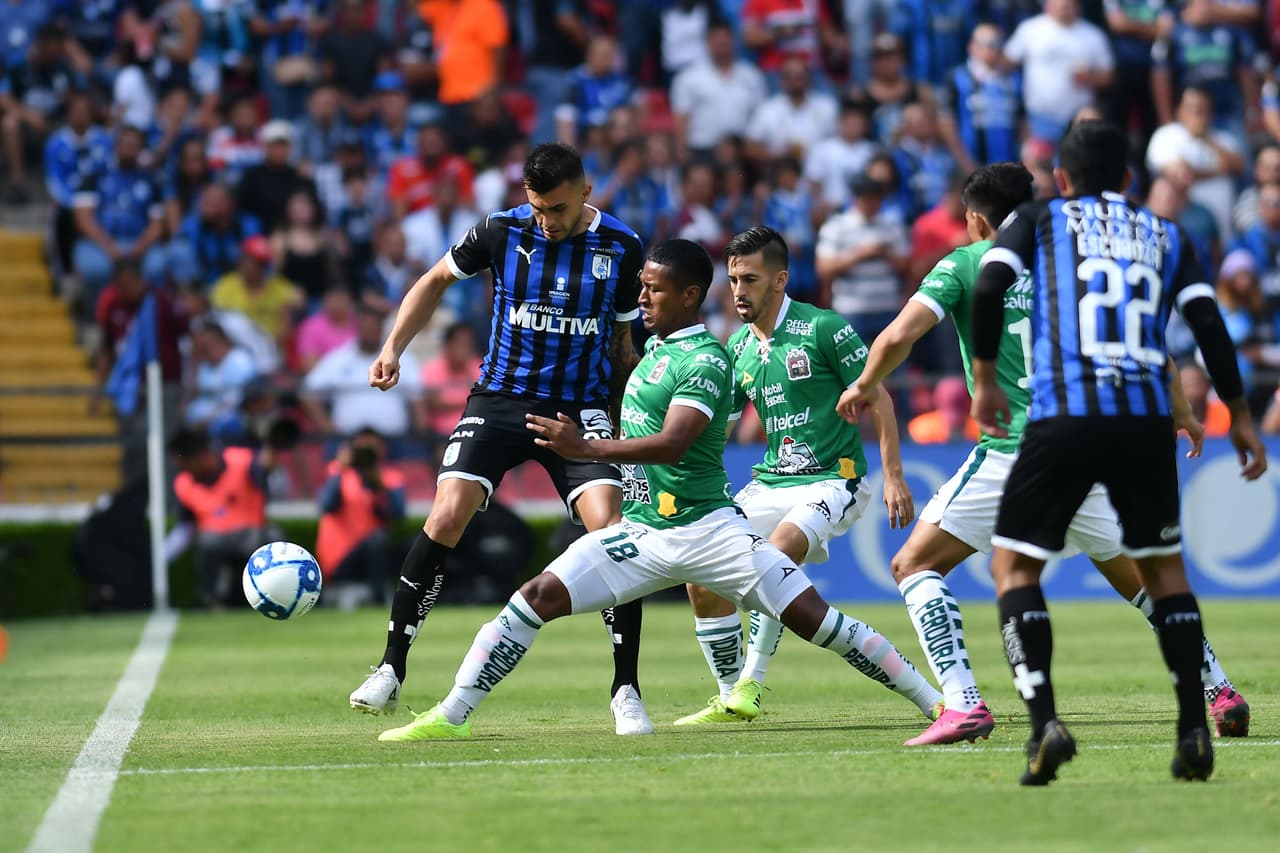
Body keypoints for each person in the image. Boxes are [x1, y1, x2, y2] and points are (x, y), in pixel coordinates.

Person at [372, 239, 942, 742]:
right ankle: (452, 712)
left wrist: (587, 449)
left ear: (690, 295)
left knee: (820, 622)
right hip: (643, 534)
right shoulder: (652, 353)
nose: (640, 299)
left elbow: (674, 443)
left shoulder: (707, 359)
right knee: (535, 598)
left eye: (653, 290)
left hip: (710, 532)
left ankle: (935, 703)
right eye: (641, 287)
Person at [842, 159, 1253, 749]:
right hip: (1085, 446)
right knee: (1142, 583)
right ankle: (1220, 690)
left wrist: (864, 383)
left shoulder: (964, 263)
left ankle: (961, 704)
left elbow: (898, 335)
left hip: (1015, 453)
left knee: (915, 565)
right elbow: (1137, 339)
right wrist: (1182, 411)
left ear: (976, 218)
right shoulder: (1071, 264)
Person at [967, 122, 1267, 784]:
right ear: (1130, 180)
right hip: (1142, 420)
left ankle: (1045, 720)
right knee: (1164, 573)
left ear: (1063, 180)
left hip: (1063, 416)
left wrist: (986, 379)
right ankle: (1194, 727)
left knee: (1013, 567)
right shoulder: (1165, 231)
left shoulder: (1043, 219)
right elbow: (1209, 323)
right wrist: (1240, 414)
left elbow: (988, 287)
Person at [347, 143, 654, 735]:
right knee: (446, 514)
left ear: (585, 191)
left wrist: (627, 426)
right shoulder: (499, 231)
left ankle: (625, 689)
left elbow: (622, 351)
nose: (546, 220)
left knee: (613, 534)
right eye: (538, 207)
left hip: (579, 407)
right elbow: (434, 279)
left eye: (558, 208)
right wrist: (393, 348)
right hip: (500, 400)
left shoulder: (621, 247)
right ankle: (389, 669)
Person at [662, 226, 927, 725]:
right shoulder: (736, 346)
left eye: (751, 279)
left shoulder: (824, 328)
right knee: (701, 576)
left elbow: (880, 396)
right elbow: (717, 422)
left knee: (774, 558)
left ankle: (751, 684)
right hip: (770, 481)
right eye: (734, 279)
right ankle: (729, 693)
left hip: (835, 478)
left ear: (780, 280)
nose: (739, 290)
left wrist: (894, 476)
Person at [170, 426, 279, 609]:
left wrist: (270, 455)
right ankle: (210, 599)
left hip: (253, 536)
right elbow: (185, 528)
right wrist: (159, 558)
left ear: (200, 455)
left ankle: (278, 595)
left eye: (186, 466)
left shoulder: (242, 460)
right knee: (208, 542)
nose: (184, 471)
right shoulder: (183, 483)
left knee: (275, 538)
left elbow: (266, 474)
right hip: (212, 542)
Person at [316, 428, 406, 608]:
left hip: (374, 554)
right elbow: (326, 505)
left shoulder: (389, 478)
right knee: (377, 540)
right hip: (340, 556)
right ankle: (378, 600)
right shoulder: (338, 472)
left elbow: (398, 513)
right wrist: (341, 469)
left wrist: (379, 485)